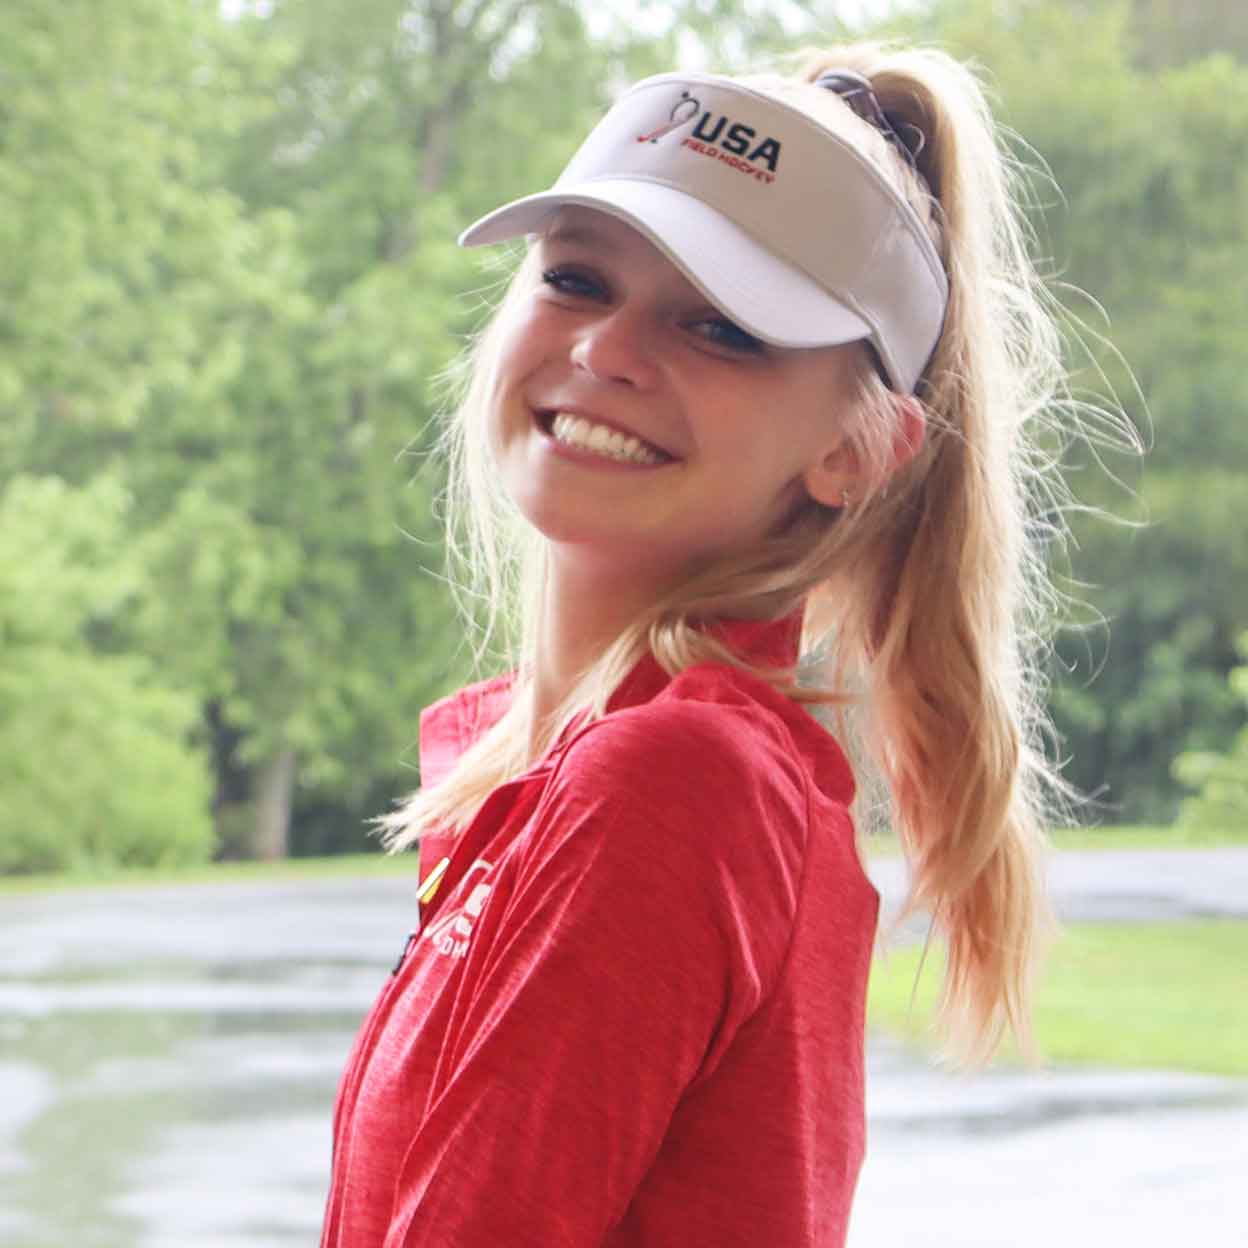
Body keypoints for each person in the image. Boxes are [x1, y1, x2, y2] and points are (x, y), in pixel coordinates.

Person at [320, 39, 1073, 1248]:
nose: (610, 350)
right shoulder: (583, 776)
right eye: (576, 277)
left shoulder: (675, 787)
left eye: (720, 329)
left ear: (858, 450)